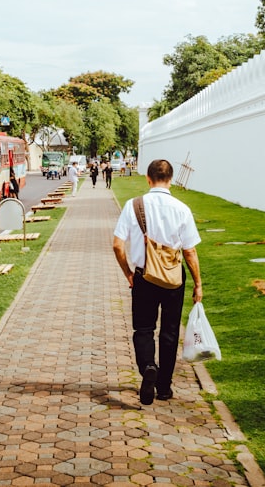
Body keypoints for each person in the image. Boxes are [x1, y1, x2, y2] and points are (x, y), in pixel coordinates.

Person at [112, 159, 202, 405]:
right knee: (170, 332)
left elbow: (117, 245)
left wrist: (129, 273)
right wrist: (198, 284)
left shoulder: (134, 206)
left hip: (144, 276)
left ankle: (148, 366)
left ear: (148, 179)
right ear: (170, 179)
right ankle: (164, 387)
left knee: (143, 329)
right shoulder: (182, 209)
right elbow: (190, 252)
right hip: (173, 278)